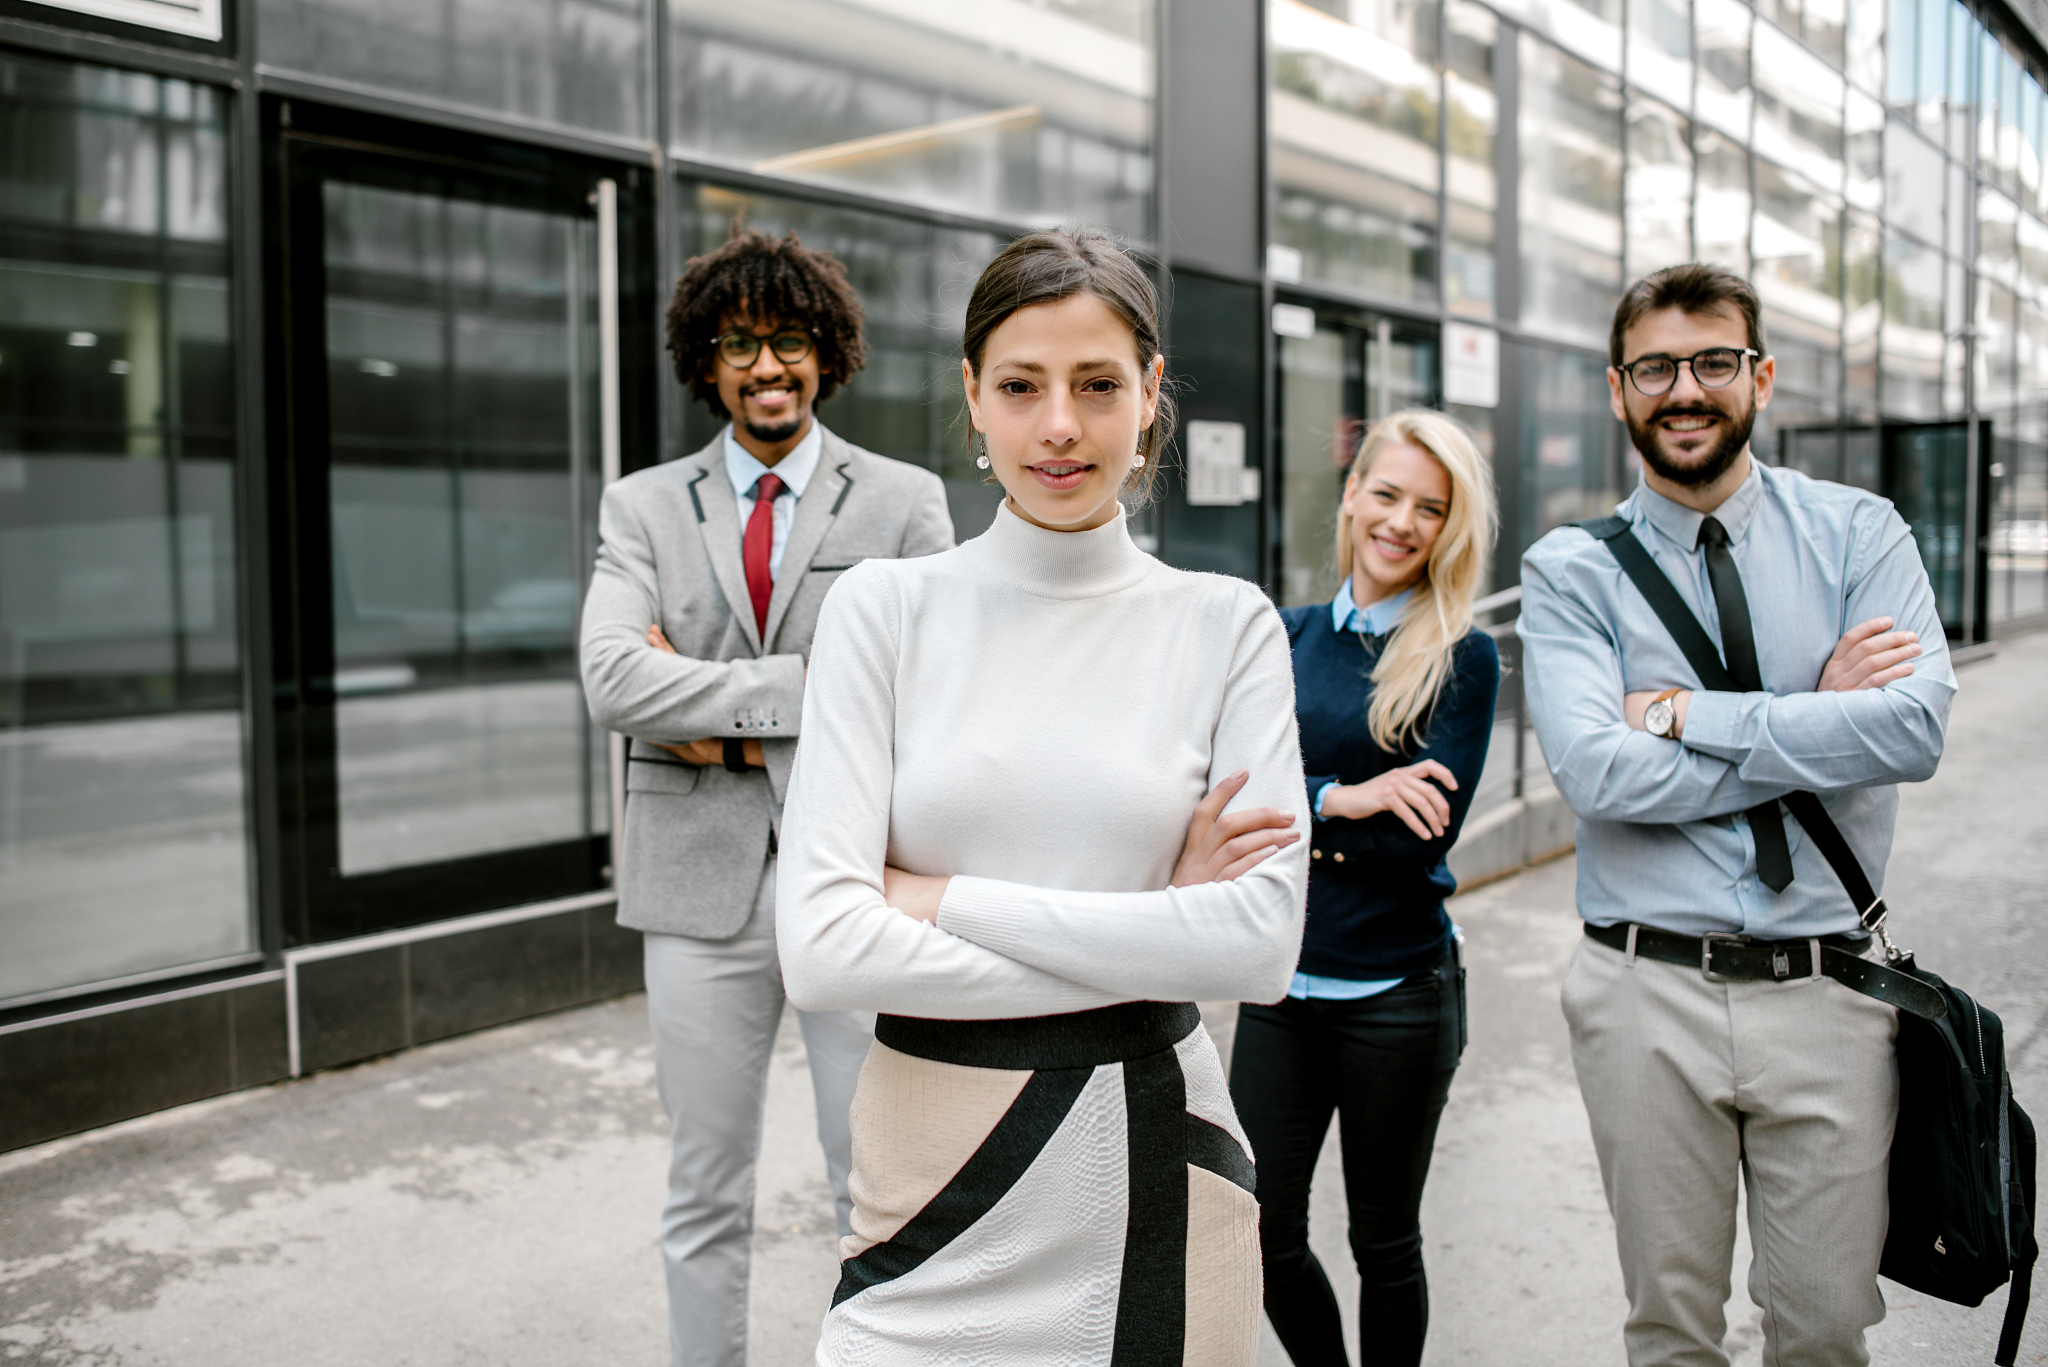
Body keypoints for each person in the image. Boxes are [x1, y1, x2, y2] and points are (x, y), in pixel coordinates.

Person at [774, 226, 1311, 1366]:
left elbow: (1257, 947)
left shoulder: (1225, 624)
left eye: (1096, 384)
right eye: (1020, 385)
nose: (1058, 425)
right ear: (972, 396)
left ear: (1150, 393)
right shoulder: (884, 606)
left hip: (1156, 1159)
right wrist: (1158, 919)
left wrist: (938, 896)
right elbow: (822, 953)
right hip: (928, 1179)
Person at [1518, 263, 1955, 1367]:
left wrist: (1673, 713)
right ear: (1616, 390)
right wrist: (1820, 713)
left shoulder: (1860, 535)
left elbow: (1909, 732)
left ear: (1758, 377)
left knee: (1822, 1330)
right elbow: (1598, 777)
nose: (1684, 388)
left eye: (1712, 360)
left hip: (1828, 993)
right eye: (1654, 366)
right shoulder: (1569, 569)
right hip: (1641, 991)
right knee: (1668, 1330)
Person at [578, 225, 954, 1367]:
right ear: (706, 359)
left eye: (786, 340)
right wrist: (821, 694)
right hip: (696, 895)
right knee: (703, 1187)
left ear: (823, 351)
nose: (764, 367)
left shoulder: (901, 502)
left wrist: (718, 725)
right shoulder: (642, 506)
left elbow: (933, 693)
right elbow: (611, 674)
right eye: (738, 345)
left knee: (877, 1179)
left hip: (856, 880)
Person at [1230, 408, 1499, 1367]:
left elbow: (1413, 844)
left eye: (1430, 508)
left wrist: (1292, 815)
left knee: (1383, 1242)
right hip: (1281, 987)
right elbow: (1220, 797)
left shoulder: (1461, 655)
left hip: (1396, 995)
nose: (1401, 521)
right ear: (1351, 496)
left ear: (1449, 527)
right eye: (1386, 494)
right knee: (1255, 1231)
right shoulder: (1283, 635)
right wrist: (1343, 798)